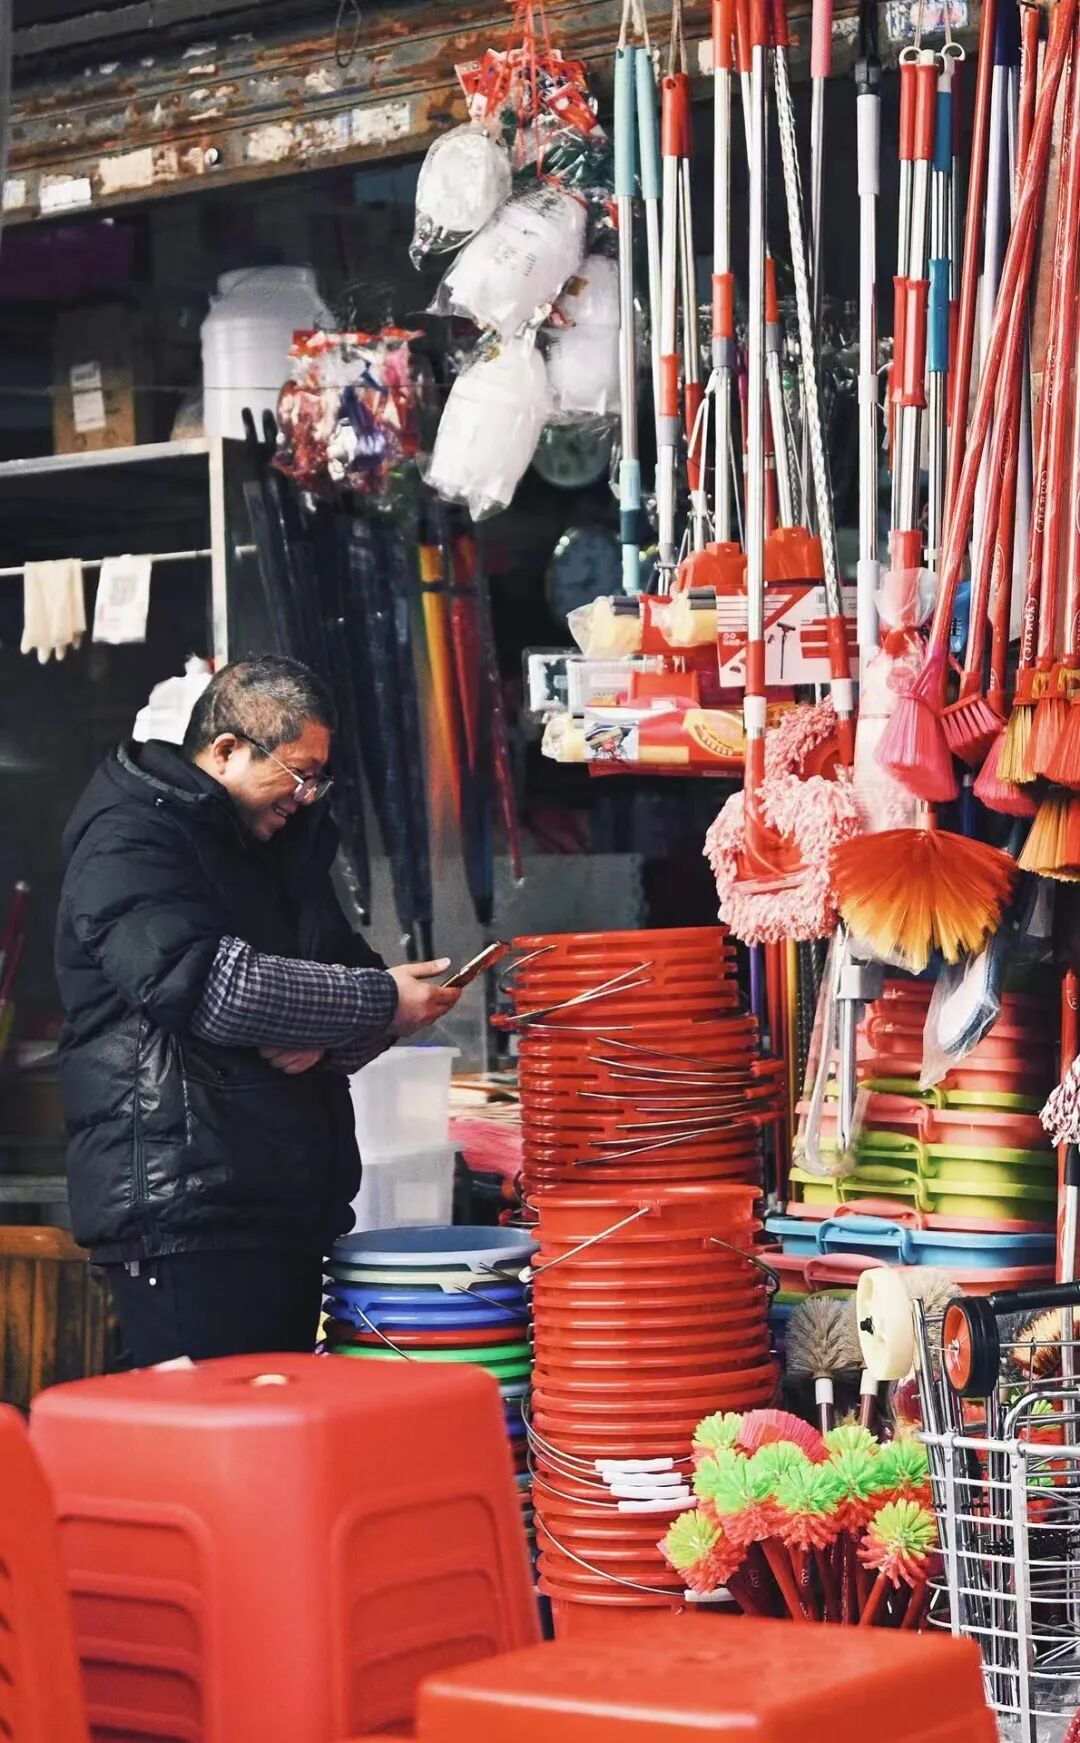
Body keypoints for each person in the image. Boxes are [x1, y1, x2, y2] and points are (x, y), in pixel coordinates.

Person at [55, 655, 461, 1367]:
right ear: (226, 749)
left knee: (269, 1456)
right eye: (299, 773)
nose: (308, 796)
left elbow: (347, 975)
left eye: (319, 777)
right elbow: (211, 987)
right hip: (186, 1217)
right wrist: (377, 1004)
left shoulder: (272, 852)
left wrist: (336, 1025)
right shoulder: (128, 838)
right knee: (204, 1460)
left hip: (281, 1214)